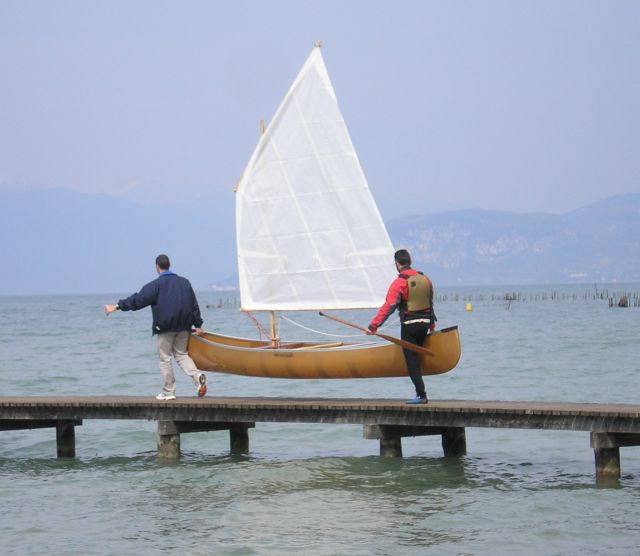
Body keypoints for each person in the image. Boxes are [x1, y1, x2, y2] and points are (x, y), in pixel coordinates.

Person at [104, 254, 207, 401]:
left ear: (157, 267)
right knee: (182, 355)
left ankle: (168, 391)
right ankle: (197, 376)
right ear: (169, 265)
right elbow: (194, 305)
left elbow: (138, 300)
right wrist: (198, 325)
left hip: (165, 328)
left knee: (165, 359)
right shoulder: (185, 283)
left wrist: (117, 306)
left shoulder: (156, 285)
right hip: (184, 327)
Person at [368, 249, 436, 404]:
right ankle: (421, 391)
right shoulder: (426, 279)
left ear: (397, 264)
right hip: (425, 324)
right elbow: (430, 303)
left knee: (411, 360)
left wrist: (374, 325)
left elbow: (390, 306)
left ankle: (421, 395)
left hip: (409, 326)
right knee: (418, 357)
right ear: (409, 261)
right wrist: (431, 324)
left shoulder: (399, 282)